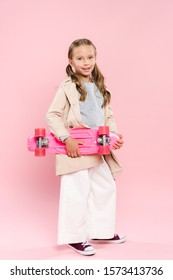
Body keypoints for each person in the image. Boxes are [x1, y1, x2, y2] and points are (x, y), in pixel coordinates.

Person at [46, 38, 126, 256]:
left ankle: (101, 231)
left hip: (98, 147)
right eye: (80, 58)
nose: (86, 62)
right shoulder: (68, 86)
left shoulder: (100, 86)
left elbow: (108, 115)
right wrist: (65, 138)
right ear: (70, 61)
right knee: (76, 191)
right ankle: (74, 238)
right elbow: (52, 115)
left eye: (90, 57)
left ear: (95, 58)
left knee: (106, 186)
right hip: (76, 147)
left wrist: (114, 135)